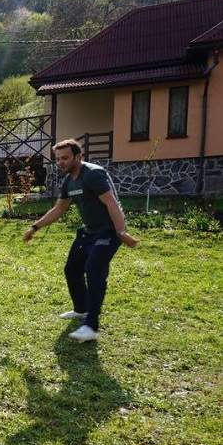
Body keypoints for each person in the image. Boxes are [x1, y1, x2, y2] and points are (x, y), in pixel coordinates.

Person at [23, 139, 139, 342]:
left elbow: (111, 202)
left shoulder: (93, 174)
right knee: (72, 269)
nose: (60, 162)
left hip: (108, 232)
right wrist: (35, 227)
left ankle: (91, 326)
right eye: (58, 159)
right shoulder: (69, 181)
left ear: (78, 156)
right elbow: (59, 209)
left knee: (94, 270)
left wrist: (121, 232)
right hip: (89, 232)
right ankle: (82, 309)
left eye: (65, 158)